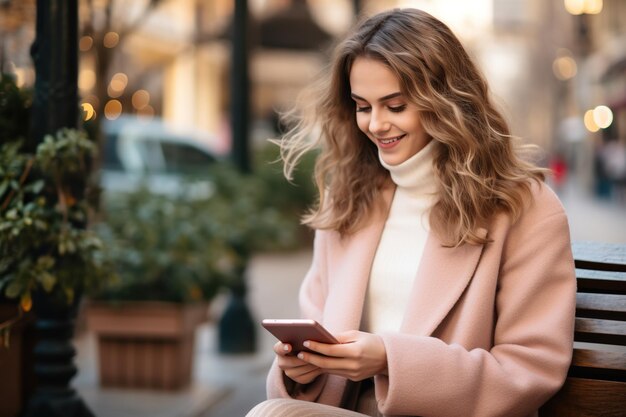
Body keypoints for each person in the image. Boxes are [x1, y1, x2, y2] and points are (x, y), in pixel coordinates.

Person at [247, 8, 576, 417]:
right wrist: (301, 369)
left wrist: (390, 359)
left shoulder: (523, 207)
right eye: (362, 106)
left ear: (446, 100)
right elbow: (316, 334)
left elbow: (529, 369)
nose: (376, 124)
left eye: (396, 105)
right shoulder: (349, 197)